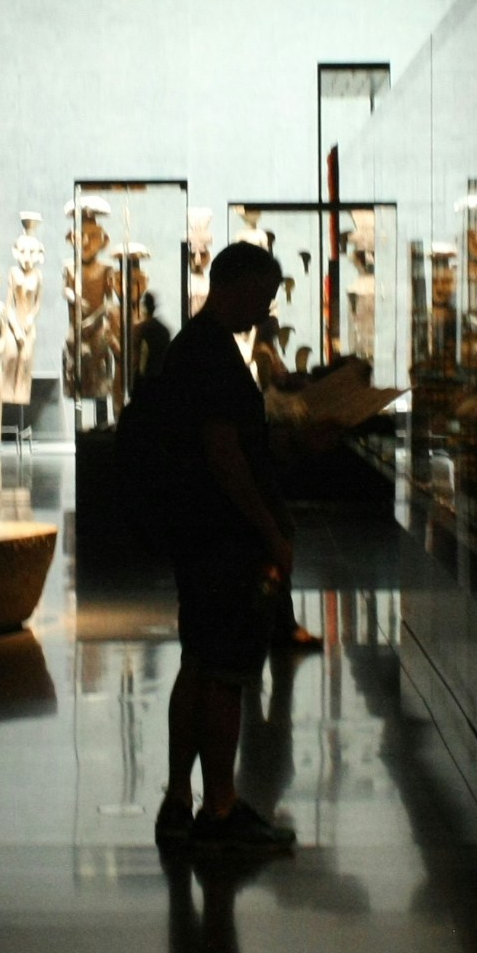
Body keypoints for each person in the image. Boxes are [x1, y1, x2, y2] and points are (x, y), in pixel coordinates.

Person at [149, 242, 333, 856]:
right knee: (225, 673)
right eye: (263, 294)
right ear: (232, 286)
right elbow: (225, 456)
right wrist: (272, 532)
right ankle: (221, 807)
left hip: (199, 534)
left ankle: (180, 798)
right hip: (222, 539)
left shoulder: (199, 349)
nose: (267, 308)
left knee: (199, 664)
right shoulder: (208, 354)